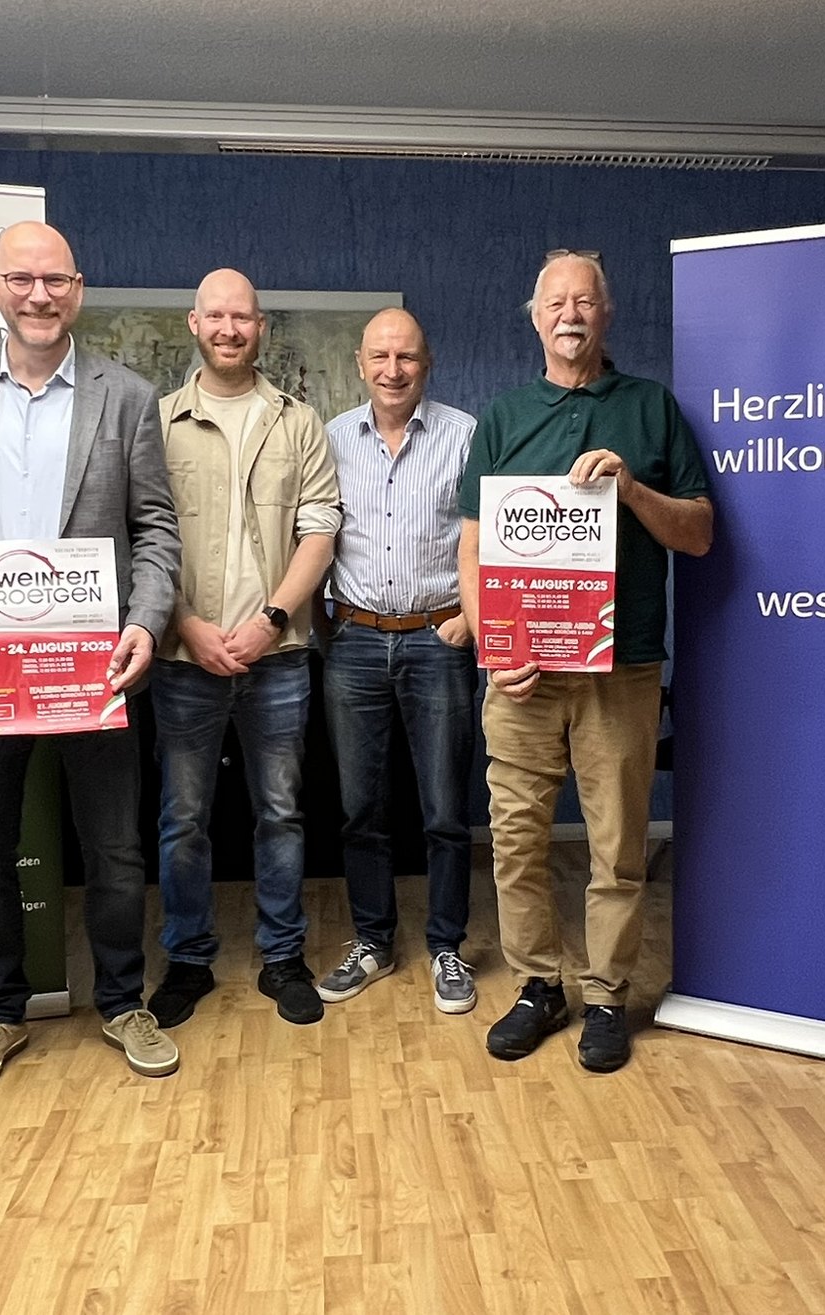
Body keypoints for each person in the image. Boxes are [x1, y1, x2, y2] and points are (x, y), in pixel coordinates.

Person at [0, 221, 183, 1095]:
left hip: (96, 661)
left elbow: (156, 525)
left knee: (115, 850)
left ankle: (123, 1002)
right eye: (21, 279)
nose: (39, 295)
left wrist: (148, 620)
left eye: (54, 280)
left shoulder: (127, 395)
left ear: (77, 289)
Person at [457, 250, 713, 1072]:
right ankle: (538, 986)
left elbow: (699, 533)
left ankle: (606, 995)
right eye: (555, 302)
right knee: (516, 841)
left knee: (617, 845)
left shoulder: (651, 408)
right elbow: (472, 548)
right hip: (521, 675)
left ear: (606, 314)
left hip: (621, 667)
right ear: (535, 317)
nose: (570, 314)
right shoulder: (503, 416)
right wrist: (493, 647)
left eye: (585, 301)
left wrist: (631, 489)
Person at [146, 268, 342, 1028]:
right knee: (182, 819)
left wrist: (269, 620)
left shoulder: (299, 423)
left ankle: (283, 956)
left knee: (282, 813)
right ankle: (188, 959)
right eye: (217, 316)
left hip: (279, 658)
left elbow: (319, 533)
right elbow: (141, 538)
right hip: (183, 659)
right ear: (194, 324)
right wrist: (187, 624)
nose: (230, 329)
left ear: (262, 327)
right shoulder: (157, 422)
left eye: (244, 317)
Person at [317, 308, 480, 1013]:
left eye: (406, 356)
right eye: (380, 356)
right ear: (360, 363)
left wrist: (471, 620)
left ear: (427, 362)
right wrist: (324, 627)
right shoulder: (330, 440)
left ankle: (447, 945)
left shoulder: (464, 435)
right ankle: (373, 940)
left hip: (436, 639)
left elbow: (489, 535)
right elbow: (313, 536)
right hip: (353, 641)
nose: (393, 370)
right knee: (360, 809)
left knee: (445, 809)